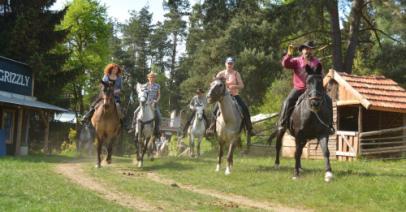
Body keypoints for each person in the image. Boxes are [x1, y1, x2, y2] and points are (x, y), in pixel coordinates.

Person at [277, 40, 324, 130]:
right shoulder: (296, 61)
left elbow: (321, 75)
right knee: (287, 101)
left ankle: (328, 125)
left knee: (327, 100)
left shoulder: (317, 62)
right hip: (299, 89)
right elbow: (285, 64)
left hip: (313, 90)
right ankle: (282, 123)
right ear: (302, 50)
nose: (308, 51)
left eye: (310, 49)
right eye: (306, 49)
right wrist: (289, 54)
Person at [206, 57, 256, 136]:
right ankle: (212, 127)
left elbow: (242, 85)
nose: (230, 65)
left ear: (233, 65)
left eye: (231, 63)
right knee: (215, 109)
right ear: (225, 64)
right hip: (223, 97)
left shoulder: (236, 74)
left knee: (244, 108)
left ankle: (249, 129)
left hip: (234, 95)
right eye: (228, 63)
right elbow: (214, 83)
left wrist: (235, 86)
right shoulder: (220, 73)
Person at [129, 71, 161, 136]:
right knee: (135, 112)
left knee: (159, 116)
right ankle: (133, 127)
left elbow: (159, 95)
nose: (152, 78)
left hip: (153, 103)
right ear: (148, 78)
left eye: (153, 77)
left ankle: (157, 129)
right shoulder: (145, 85)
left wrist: (156, 101)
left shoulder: (157, 85)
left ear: (155, 78)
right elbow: (141, 92)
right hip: (145, 103)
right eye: (150, 77)